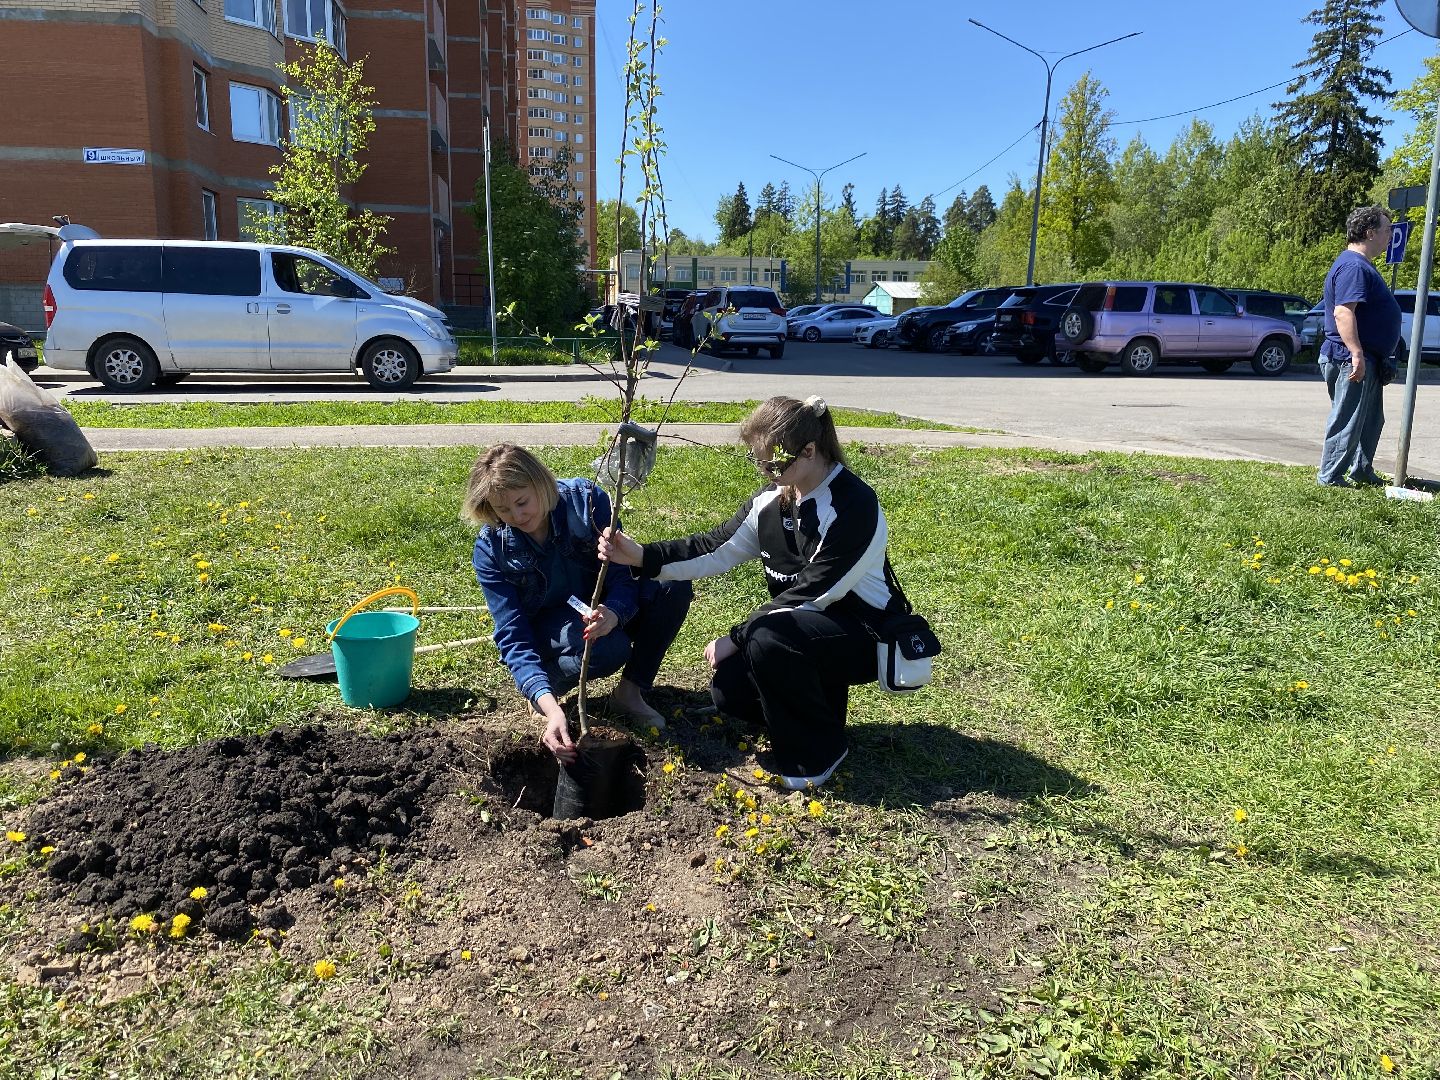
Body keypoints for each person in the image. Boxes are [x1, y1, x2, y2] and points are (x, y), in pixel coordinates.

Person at [599, 395, 897, 791]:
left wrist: (737, 637)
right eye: (758, 459)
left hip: (866, 634)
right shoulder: (773, 500)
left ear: (808, 450)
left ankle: (818, 754)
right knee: (730, 691)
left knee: (767, 638)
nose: (763, 469)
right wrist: (641, 556)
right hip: (804, 630)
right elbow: (714, 547)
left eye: (770, 461)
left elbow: (817, 592)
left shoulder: (853, 505)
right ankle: (821, 715)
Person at [462, 444, 693, 763]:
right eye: (503, 510)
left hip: (595, 605)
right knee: (608, 647)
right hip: (549, 625)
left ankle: (629, 693)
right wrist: (548, 702)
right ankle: (546, 690)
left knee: (671, 585)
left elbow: (621, 577)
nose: (517, 516)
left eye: (522, 502)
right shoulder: (492, 549)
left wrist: (613, 612)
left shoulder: (587, 503)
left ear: (540, 482)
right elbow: (513, 634)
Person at [1317, 204, 1403, 488]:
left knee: (1370, 420)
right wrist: (1356, 353)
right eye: (1387, 230)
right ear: (1369, 233)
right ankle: (1330, 477)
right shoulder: (1353, 266)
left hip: (1369, 357)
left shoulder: (1362, 264)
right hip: (1350, 357)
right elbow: (1343, 312)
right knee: (1348, 419)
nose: (1391, 235)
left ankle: (1361, 470)